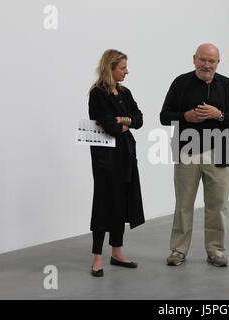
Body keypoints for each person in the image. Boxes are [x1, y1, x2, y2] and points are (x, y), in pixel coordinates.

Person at [160, 43, 229, 267]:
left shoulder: (226, 85)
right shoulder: (181, 83)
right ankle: (178, 250)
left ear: (218, 62)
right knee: (184, 204)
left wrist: (219, 115)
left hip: (218, 152)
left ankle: (215, 251)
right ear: (194, 59)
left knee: (217, 205)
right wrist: (185, 116)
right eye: (203, 60)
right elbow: (164, 116)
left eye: (212, 61)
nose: (207, 65)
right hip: (187, 151)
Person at [88, 49, 145, 277]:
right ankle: (97, 258)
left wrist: (123, 121)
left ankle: (117, 253)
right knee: (103, 203)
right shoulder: (97, 94)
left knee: (122, 201)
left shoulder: (124, 92)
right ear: (110, 68)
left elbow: (139, 119)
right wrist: (122, 122)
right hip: (105, 158)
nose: (126, 72)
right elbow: (109, 127)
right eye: (123, 68)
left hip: (126, 154)